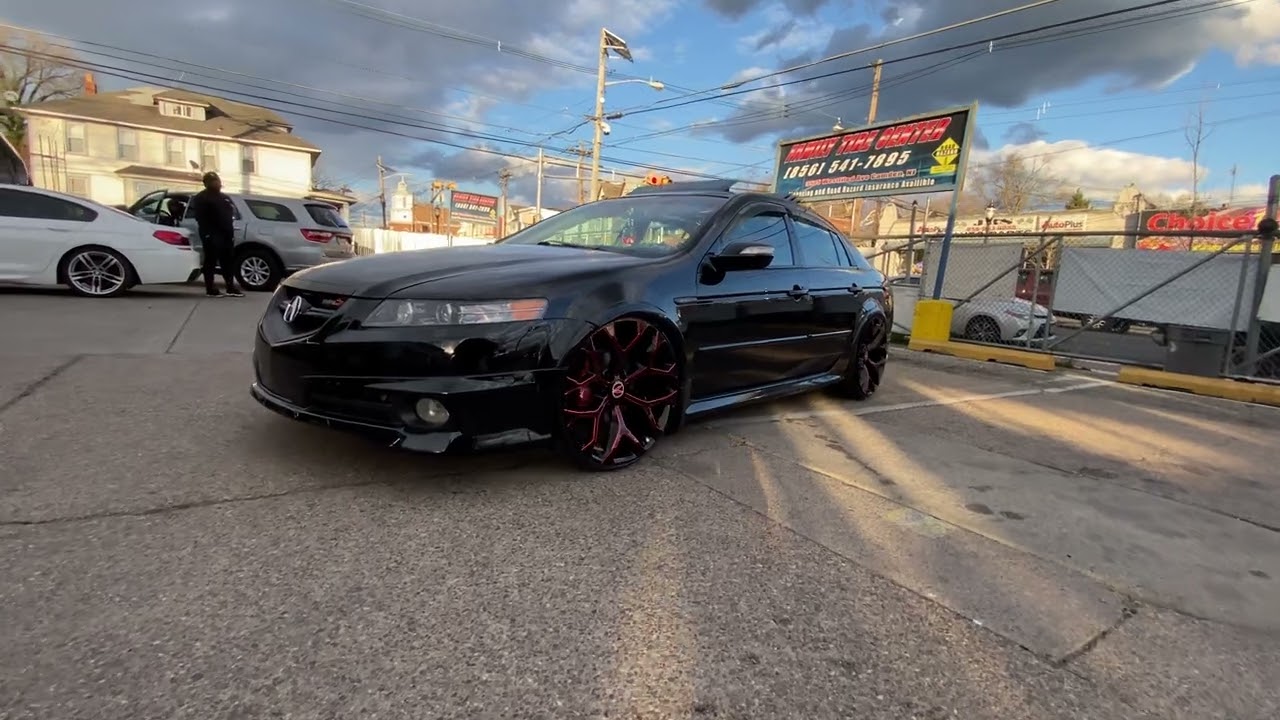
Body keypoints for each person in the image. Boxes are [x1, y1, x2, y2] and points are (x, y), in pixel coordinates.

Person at [190, 172, 243, 297]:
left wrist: (230, 232)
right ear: (206, 183)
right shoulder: (201, 198)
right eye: (213, 181)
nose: (217, 183)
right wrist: (208, 234)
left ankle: (230, 287)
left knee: (228, 261)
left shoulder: (224, 197)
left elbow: (230, 215)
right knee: (211, 261)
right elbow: (200, 218)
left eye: (217, 180)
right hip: (211, 234)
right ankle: (210, 289)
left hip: (226, 234)